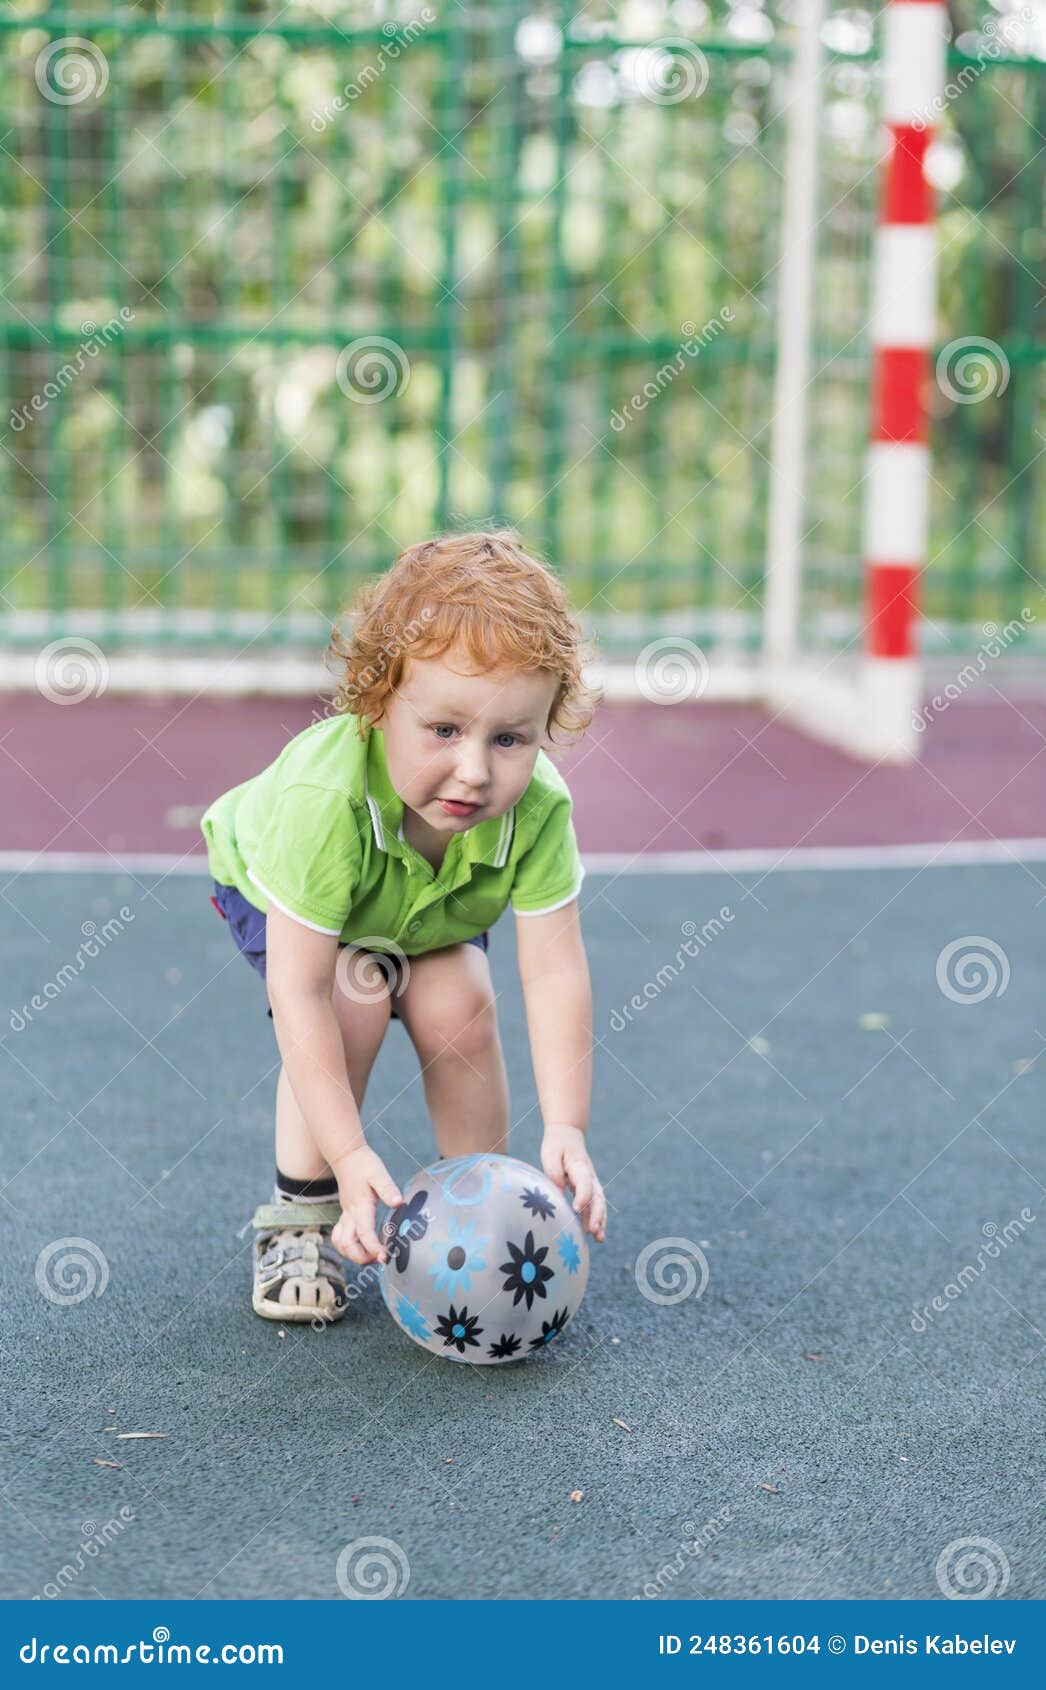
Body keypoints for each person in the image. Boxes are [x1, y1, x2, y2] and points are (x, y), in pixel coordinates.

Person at [200, 529, 607, 1325]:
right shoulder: (325, 801)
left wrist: (568, 1124)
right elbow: (300, 989)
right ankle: (303, 1216)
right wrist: (352, 1162)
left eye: (510, 739)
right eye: (445, 730)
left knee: (459, 1003)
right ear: (379, 701)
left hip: (426, 907)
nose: (476, 771)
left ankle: (479, 1208)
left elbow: (555, 972)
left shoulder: (539, 809)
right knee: (354, 996)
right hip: (293, 894)